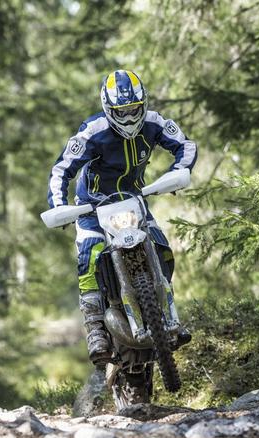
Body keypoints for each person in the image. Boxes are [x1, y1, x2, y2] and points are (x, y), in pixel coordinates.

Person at [47, 69, 198, 365]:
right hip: (92, 207)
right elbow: (62, 169)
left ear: (143, 104)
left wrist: (180, 170)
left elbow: (186, 145)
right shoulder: (93, 131)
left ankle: (168, 314)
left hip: (134, 200)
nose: (129, 117)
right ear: (108, 108)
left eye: (133, 109)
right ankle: (95, 329)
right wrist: (58, 205)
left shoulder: (153, 123)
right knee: (88, 258)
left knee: (162, 249)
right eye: (122, 111)